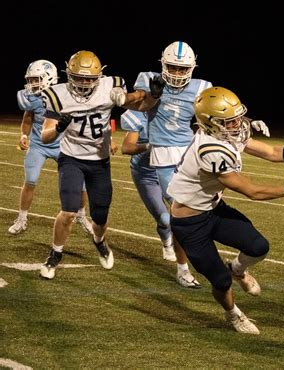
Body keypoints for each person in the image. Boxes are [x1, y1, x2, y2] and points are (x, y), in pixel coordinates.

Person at [168, 86, 284, 335]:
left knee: (258, 246)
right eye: (229, 121)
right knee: (220, 281)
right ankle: (234, 315)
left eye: (237, 118)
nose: (237, 125)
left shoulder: (224, 133)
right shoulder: (210, 149)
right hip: (189, 224)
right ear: (210, 124)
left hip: (213, 208)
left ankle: (238, 269)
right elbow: (251, 191)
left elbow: (273, 152)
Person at [38, 50, 159, 280]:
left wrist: (152, 96)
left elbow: (140, 105)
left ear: (99, 76)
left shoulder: (111, 85)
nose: (84, 83)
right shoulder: (57, 94)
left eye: (89, 79)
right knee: (69, 211)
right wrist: (59, 128)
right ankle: (55, 253)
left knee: (100, 215)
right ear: (68, 74)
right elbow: (45, 137)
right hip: (71, 158)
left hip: (99, 161)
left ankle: (99, 241)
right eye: (79, 77)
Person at [117, 41, 212, 288]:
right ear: (162, 64)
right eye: (172, 67)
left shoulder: (201, 87)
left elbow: (216, 112)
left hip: (180, 156)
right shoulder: (148, 88)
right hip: (145, 169)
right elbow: (138, 102)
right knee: (166, 218)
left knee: (182, 213)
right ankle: (175, 252)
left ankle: (184, 264)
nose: (177, 74)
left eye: (182, 69)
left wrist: (247, 122)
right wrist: (127, 98)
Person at [9, 59, 93, 236]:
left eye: (36, 79)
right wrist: (24, 135)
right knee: (30, 180)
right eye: (31, 80)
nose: (32, 84)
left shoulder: (64, 94)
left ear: (49, 78)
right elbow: (27, 119)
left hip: (63, 145)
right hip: (39, 144)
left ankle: (81, 215)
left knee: (82, 184)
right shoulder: (32, 99)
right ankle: (22, 218)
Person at [120, 109, 202, 288]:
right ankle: (166, 239)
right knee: (164, 219)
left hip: (172, 168)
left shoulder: (174, 110)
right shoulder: (139, 114)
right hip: (146, 174)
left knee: (180, 216)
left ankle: (183, 269)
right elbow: (126, 147)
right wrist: (151, 146)